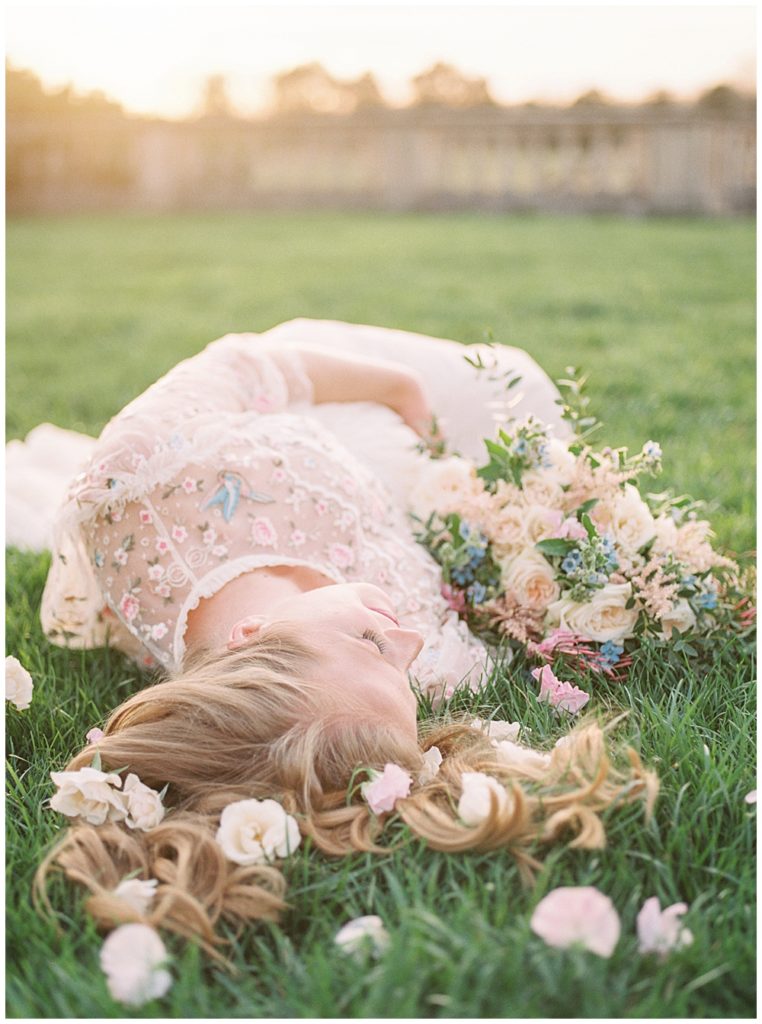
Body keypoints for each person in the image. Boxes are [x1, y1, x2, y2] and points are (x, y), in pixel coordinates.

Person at [36, 319, 657, 955]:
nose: (410, 641)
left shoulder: (138, 485)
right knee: (537, 416)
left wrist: (401, 390)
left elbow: (249, 366)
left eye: (370, 641)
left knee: (513, 377)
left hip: (334, 391)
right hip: (435, 484)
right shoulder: (415, 672)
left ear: (252, 635)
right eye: (403, 675)